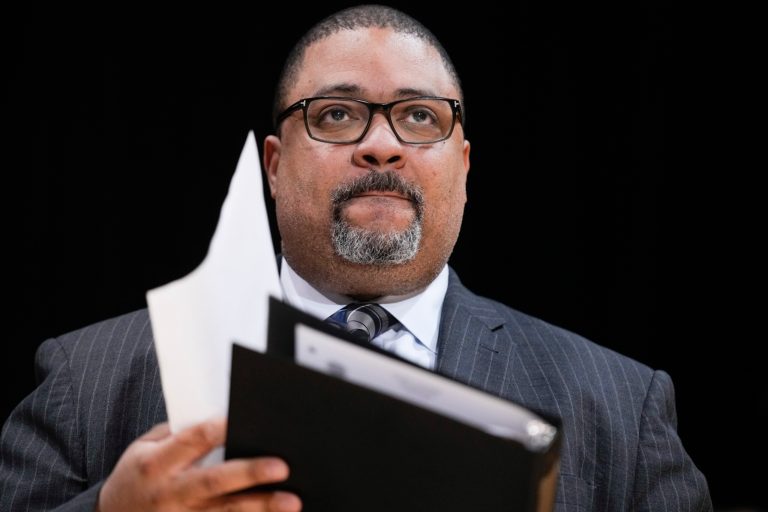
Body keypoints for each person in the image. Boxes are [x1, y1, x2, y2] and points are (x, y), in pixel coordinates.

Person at [0, 5, 711, 512]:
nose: (382, 144)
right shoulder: (84, 383)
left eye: (420, 116)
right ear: (274, 166)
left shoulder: (621, 406)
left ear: (463, 167)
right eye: (336, 114)